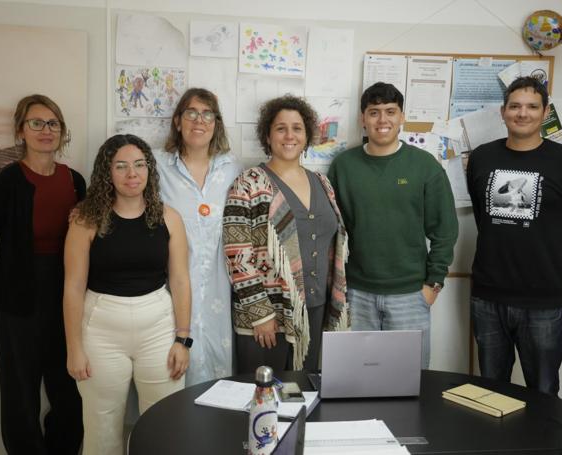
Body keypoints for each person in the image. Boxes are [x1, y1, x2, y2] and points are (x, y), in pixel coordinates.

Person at [0, 94, 85, 454]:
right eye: (36, 123)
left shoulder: (76, 181)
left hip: (67, 299)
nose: (45, 131)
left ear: (62, 131)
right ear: (21, 130)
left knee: (69, 390)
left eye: (53, 124)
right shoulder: (7, 182)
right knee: (20, 395)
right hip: (16, 306)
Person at [63, 134, 191, 455]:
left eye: (138, 164)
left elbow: (180, 281)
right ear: (107, 173)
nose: (132, 173)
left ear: (149, 169)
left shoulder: (168, 217)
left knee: (163, 424)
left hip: (158, 327)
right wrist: (74, 348)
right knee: (101, 426)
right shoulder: (85, 220)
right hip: (101, 330)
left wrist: (183, 339)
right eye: (121, 166)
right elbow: (73, 287)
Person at [328, 82, 458, 369]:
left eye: (390, 111)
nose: (382, 120)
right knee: (359, 380)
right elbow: (334, 229)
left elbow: (445, 230)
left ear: (402, 117)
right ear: (363, 119)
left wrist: (432, 285)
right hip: (357, 294)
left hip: (411, 295)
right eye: (374, 112)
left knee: (410, 381)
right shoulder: (343, 166)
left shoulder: (425, 166)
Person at [466, 76, 562, 396]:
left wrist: (546, 239)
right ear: (503, 112)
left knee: (543, 393)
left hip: (542, 300)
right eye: (515, 106)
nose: (522, 113)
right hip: (488, 297)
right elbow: (482, 214)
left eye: (532, 106)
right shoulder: (482, 158)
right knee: (491, 391)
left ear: (545, 113)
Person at [223, 95, 348, 373]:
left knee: (305, 395)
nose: (289, 135)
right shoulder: (249, 183)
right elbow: (236, 255)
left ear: (307, 136)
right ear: (267, 136)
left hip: (314, 311)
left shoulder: (322, 182)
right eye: (281, 128)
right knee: (264, 401)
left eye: (297, 128)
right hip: (268, 318)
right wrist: (261, 314)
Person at [156, 88, 241, 385]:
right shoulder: (156, 167)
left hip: (221, 294)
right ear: (178, 121)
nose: (199, 121)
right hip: (169, 294)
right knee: (170, 381)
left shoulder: (234, 169)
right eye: (191, 113)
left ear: (216, 123)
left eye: (207, 114)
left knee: (220, 384)